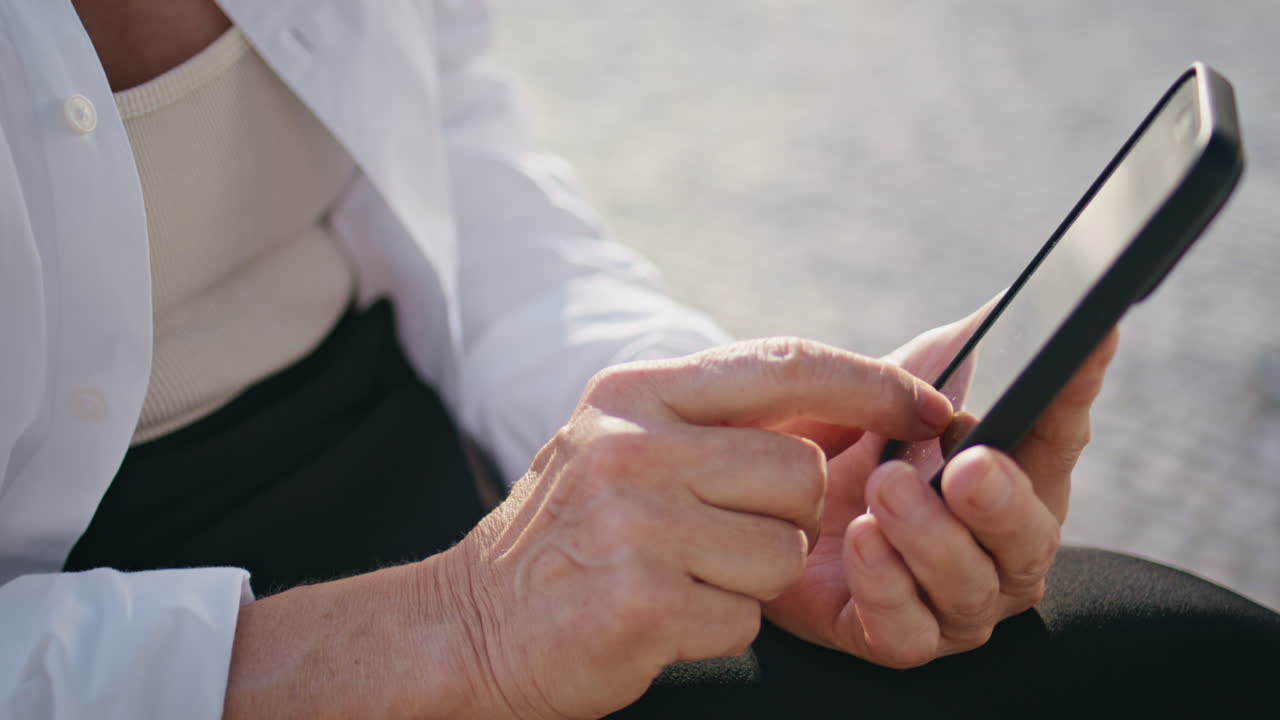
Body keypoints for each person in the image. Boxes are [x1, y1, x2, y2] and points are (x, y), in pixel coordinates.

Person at [1, 1, 1276, 718]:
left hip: (450, 512)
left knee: (1186, 665)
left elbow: (475, 195)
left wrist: (734, 456)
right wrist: (454, 627)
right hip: (194, 657)